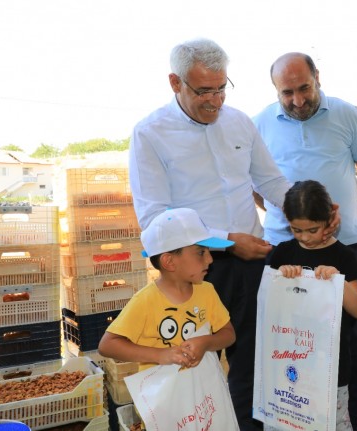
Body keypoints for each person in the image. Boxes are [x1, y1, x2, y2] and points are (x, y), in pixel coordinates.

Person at [128, 38, 292, 430]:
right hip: (191, 272)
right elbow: (154, 218)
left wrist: (309, 209)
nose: (215, 101)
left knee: (251, 360)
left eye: (221, 88)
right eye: (203, 91)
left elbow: (270, 181)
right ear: (174, 82)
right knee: (190, 367)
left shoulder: (239, 122)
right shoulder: (150, 134)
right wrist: (226, 239)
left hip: (251, 262)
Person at [252, 52, 357, 431]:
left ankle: (352, 420)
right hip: (283, 251)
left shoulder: (346, 114)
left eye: (304, 88)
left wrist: (338, 218)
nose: (297, 100)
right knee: (290, 337)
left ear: (317, 78)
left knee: (345, 346)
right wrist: (284, 220)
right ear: (275, 89)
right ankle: (294, 416)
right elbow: (254, 184)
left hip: (342, 245)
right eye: (286, 92)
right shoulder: (260, 122)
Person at [268, 180, 357, 431]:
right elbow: (268, 307)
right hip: (289, 361)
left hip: (331, 366)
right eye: (296, 230)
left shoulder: (343, 256)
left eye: (312, 230)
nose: (305, 238)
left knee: (331, 422)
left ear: (329, 218)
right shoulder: (282, 254)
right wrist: (281, 278)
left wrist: (338, 281)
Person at [98, 207, 236, 370]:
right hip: (161, 391)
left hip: (201, 388)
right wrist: (160, 355)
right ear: (169, 261)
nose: (210, 259)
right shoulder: (145, 300)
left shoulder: (207, 291)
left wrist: (206, 342)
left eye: (209, 251)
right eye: (201, 252)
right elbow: (107, 345)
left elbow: (228, 334)